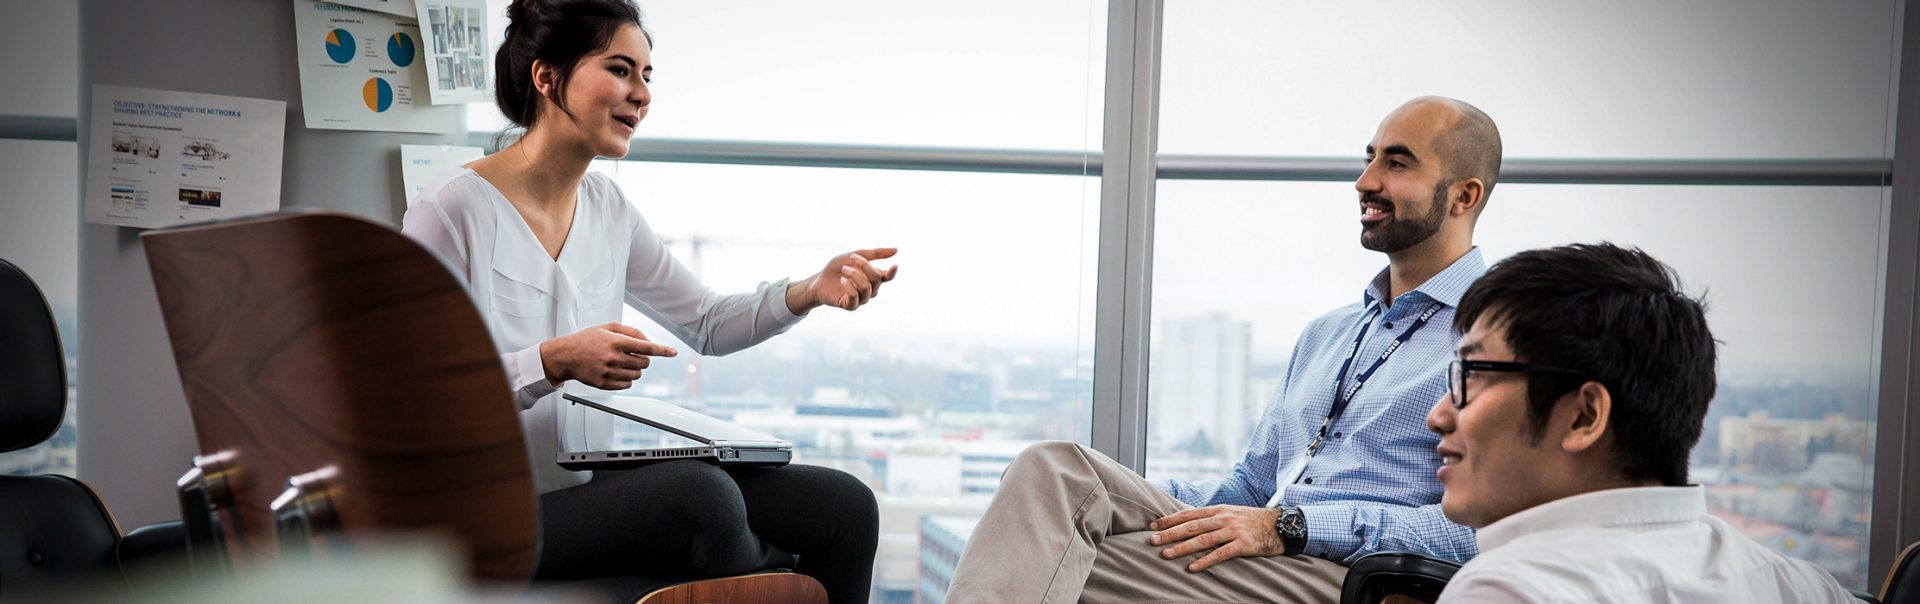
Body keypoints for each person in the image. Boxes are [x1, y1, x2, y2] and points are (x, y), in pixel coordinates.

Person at [399, 1, 888, 601]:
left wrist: (807, 291)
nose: (641, 94)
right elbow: (410, 404)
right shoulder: (450, 209)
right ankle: (770, 576)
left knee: (845, 506)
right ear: (547, 78)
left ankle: (760, 569)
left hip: (586, 489)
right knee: (700, 496)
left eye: (647, 76)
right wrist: (550, 361)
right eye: (621, 69)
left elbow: (706, 323)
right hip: (482, 518)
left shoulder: (608, 209)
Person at [944, 96, 1500, 603]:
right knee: (1053, 476)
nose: (1364, 180)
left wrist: (1291, 526)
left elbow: (1478, 530)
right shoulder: (1329, 332)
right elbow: (1251, 486)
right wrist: (1119, 504)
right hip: (1261, 545)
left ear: (1463, 196)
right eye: (1369, 158)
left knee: (1051, 562)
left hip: (1345, 574)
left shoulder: (1495, 339)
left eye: (1396, 164)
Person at [1427, 243, 1855, 602]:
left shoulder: (1509, 590)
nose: (1438, 415)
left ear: (1584, 416)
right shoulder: (1803, 584)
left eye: (1473, 374)